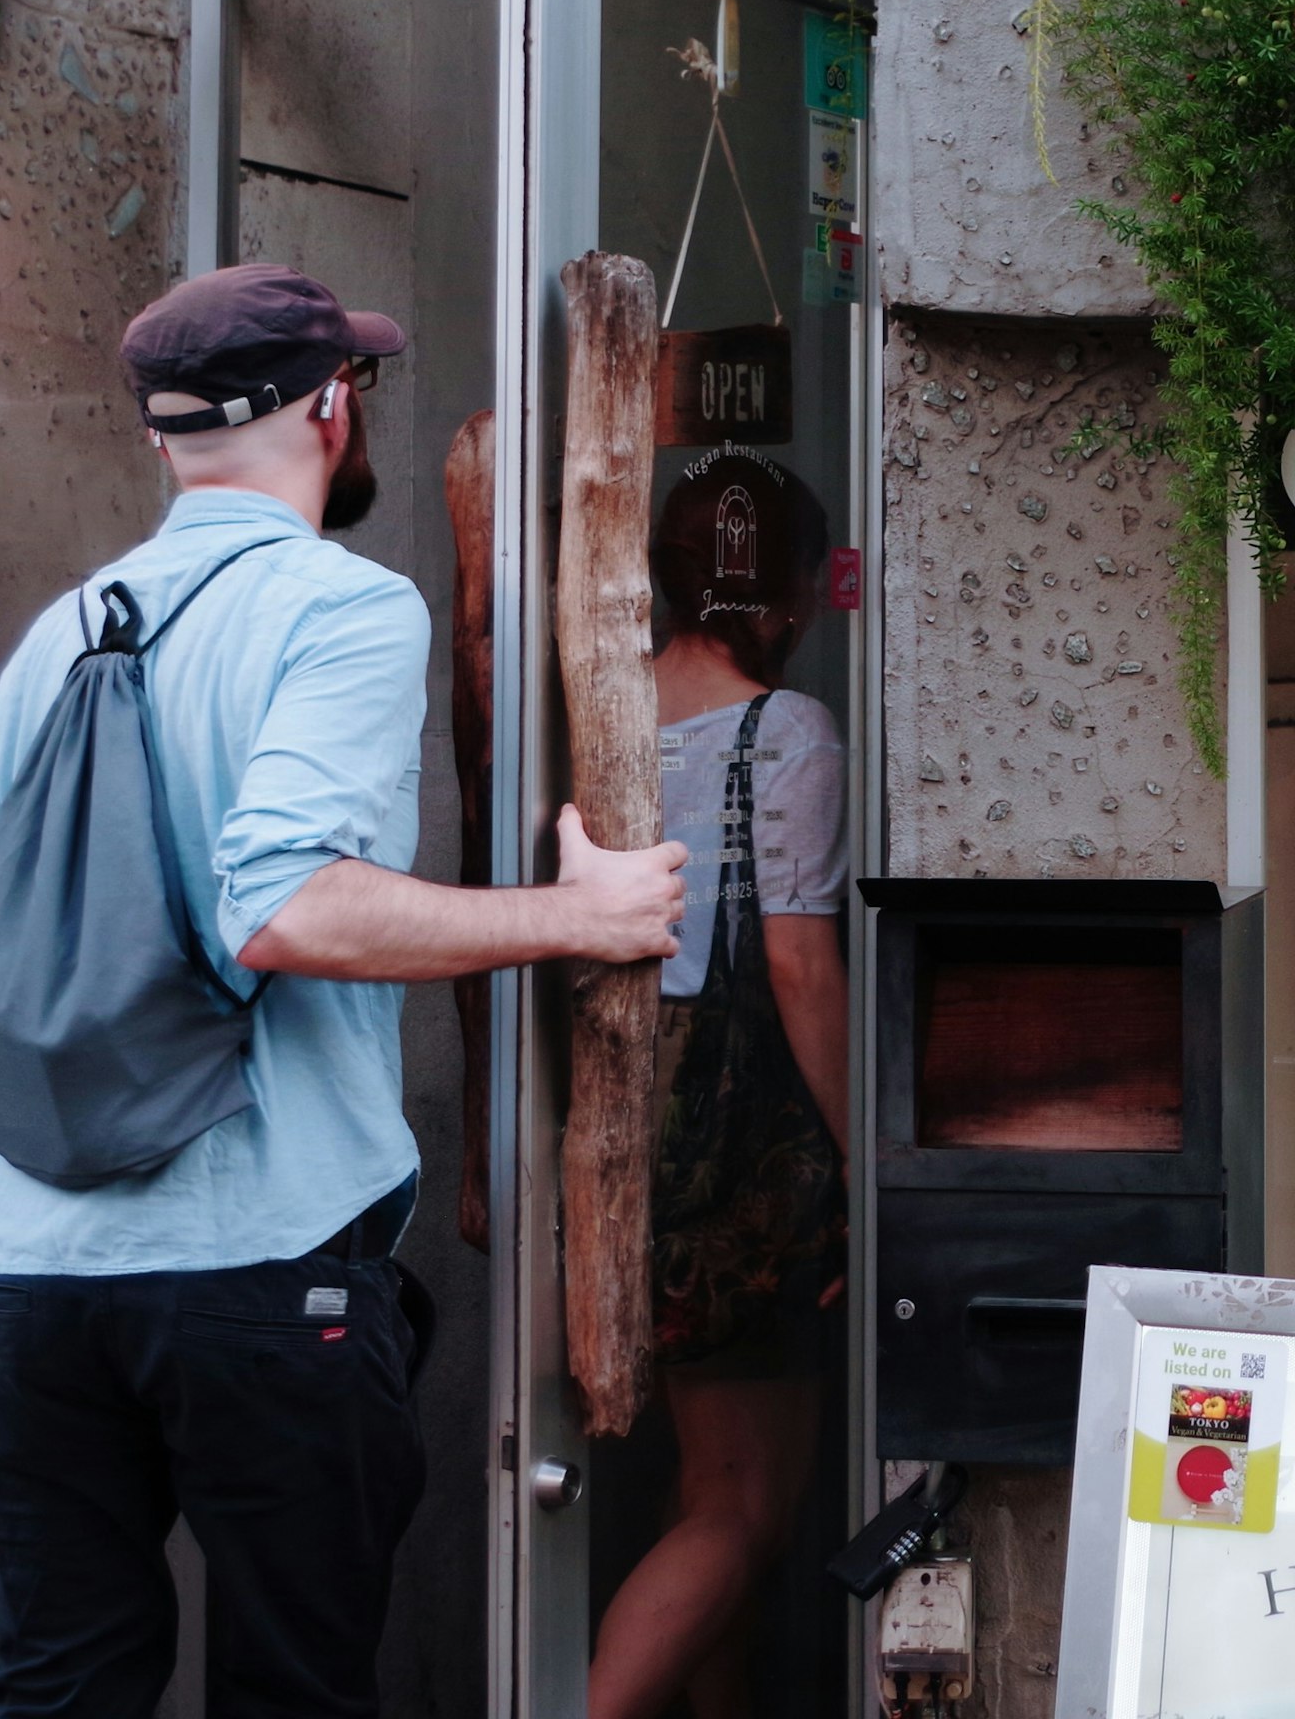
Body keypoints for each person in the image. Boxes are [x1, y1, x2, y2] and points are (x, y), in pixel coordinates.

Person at [0, 263, 688, 1719]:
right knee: (298, 1689)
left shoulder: (63, 629)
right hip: (252, 1259)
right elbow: (283, 902)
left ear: (164, 438)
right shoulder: (343, 609)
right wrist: (575, 913)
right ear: (334, 408)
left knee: (61, 1683)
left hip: (26, 1265)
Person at [589, 450, 850, 1719]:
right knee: (745, 1508)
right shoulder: (783, 730)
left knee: (704, 1485)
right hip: (739, 1145)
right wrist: (866, 1158)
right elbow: (797, 964)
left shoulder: (595, 719)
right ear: (785, 595)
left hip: (615, 1126)